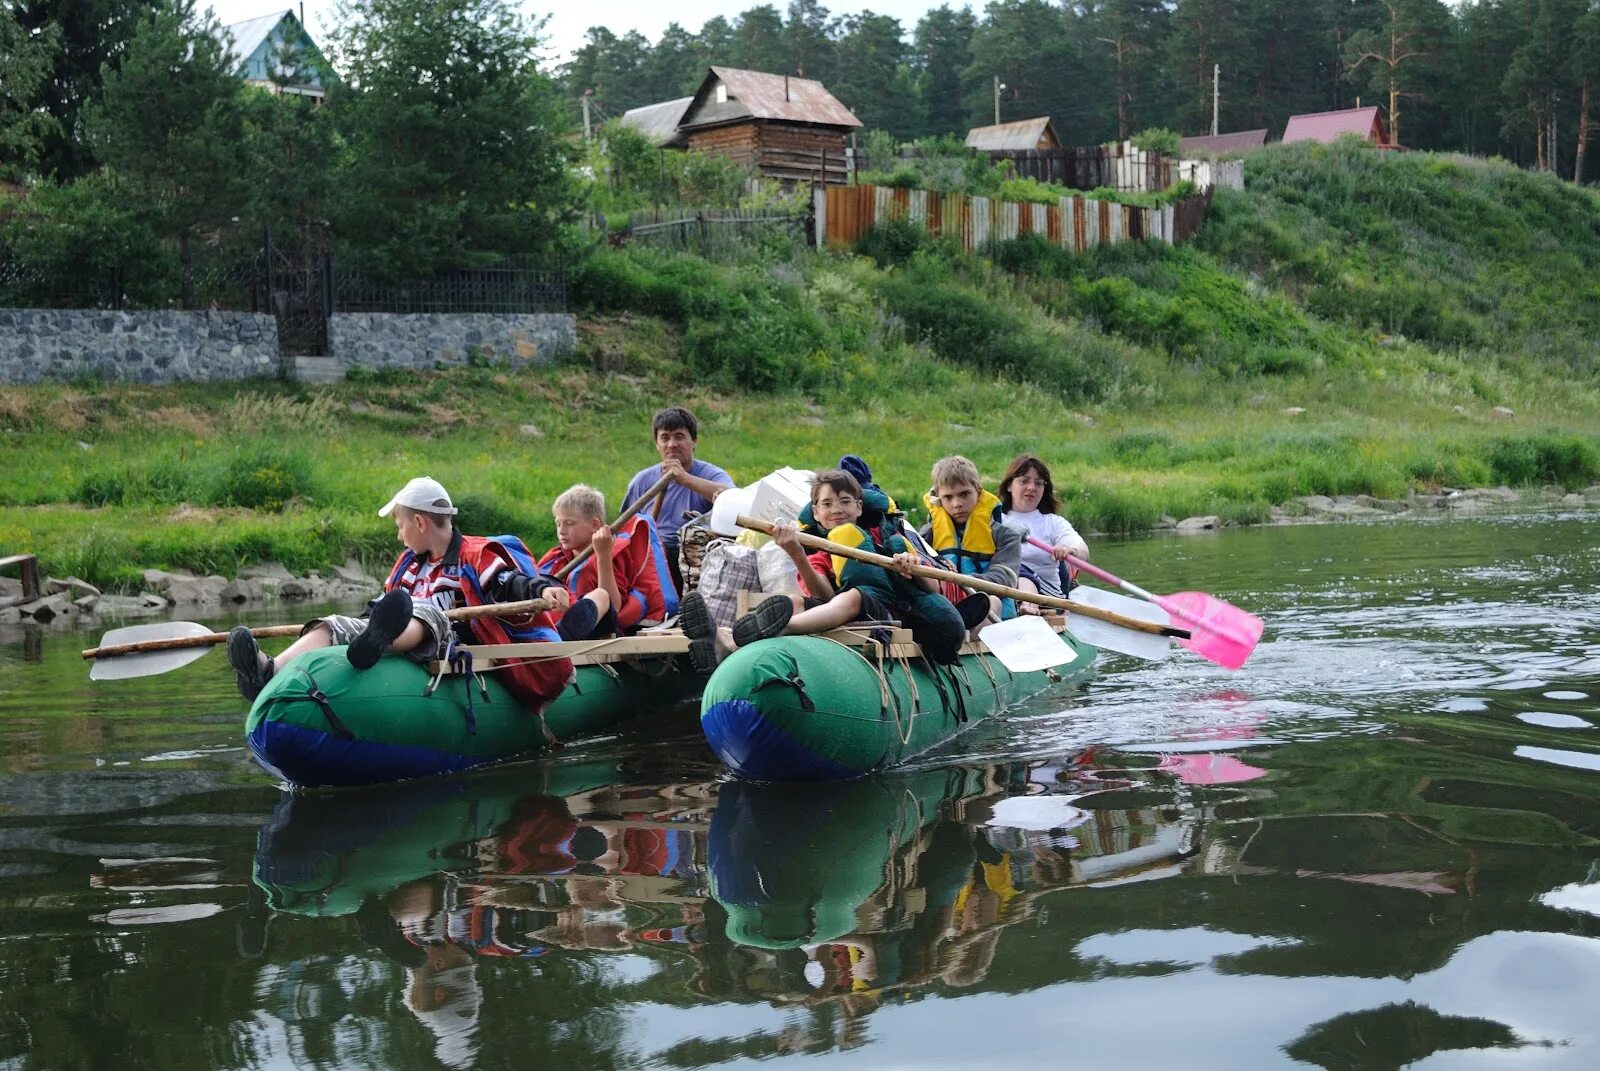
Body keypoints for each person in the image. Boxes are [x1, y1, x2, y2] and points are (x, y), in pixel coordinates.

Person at [225, 476, 573, 710]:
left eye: (400, 525)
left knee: (426, 613)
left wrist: (545, 587)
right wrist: (357, 624)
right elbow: (382, 605)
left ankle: (385, 636)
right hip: (395, 634)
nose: (399, 536)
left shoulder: (475, 555)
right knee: (333, 624)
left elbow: (511, 583)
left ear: (420, 523)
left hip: (452, 641)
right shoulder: (408, 564)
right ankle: (269, 670)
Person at [679, 469, 972, 667]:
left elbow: (933, 588)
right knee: (792, 601)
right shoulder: (820, 552)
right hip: (840, 607)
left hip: (892, 609)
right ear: (816, 514)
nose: (836, 510)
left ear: (859, 507)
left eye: (845, 502)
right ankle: (725, 637)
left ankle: (775, 630)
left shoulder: (889, 538)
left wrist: (912, 568)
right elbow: (825, 594)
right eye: (827, 504)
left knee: (855, 596)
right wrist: (795, 552)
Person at [535, 484, 677, 638]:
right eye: (558, 524)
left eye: (570, 524)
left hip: (597, 631)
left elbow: (613, 607)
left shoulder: (612, 551)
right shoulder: (560, 556)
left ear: (594, 525)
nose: (561, 531)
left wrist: (603, 556)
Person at [619, 406, 734, 593]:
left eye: (679, 437)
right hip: (651, 559)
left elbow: (733, 500)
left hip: (695, 558)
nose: (671, 444)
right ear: (657, 444)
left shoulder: (711, 474)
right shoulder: (642, 481)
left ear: (694, 441)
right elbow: (624, 529)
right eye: (665, 438)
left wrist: (685, 479)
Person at [920, 456, 1023, 627]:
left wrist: (957, 583)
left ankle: (965, 641)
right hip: (948, 609)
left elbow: (1004, 578)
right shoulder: (925, 537)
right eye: (948, 497)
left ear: (979, 491)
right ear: (938, 498)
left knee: (992, 601)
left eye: (964, 494)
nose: (957, 504)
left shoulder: (1007, 536)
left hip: (997, 617)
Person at [996, 453, 1088, 608]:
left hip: (1048, 598)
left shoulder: (1053, 522)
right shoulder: (996, 519)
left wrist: (1069, 550)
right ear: (1009, 486)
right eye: (1024, 481)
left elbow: (1083, 551)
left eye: (1038, 483)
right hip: (1005, 590)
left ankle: (1029, 607)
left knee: (1020, 570)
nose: (1031, 487)